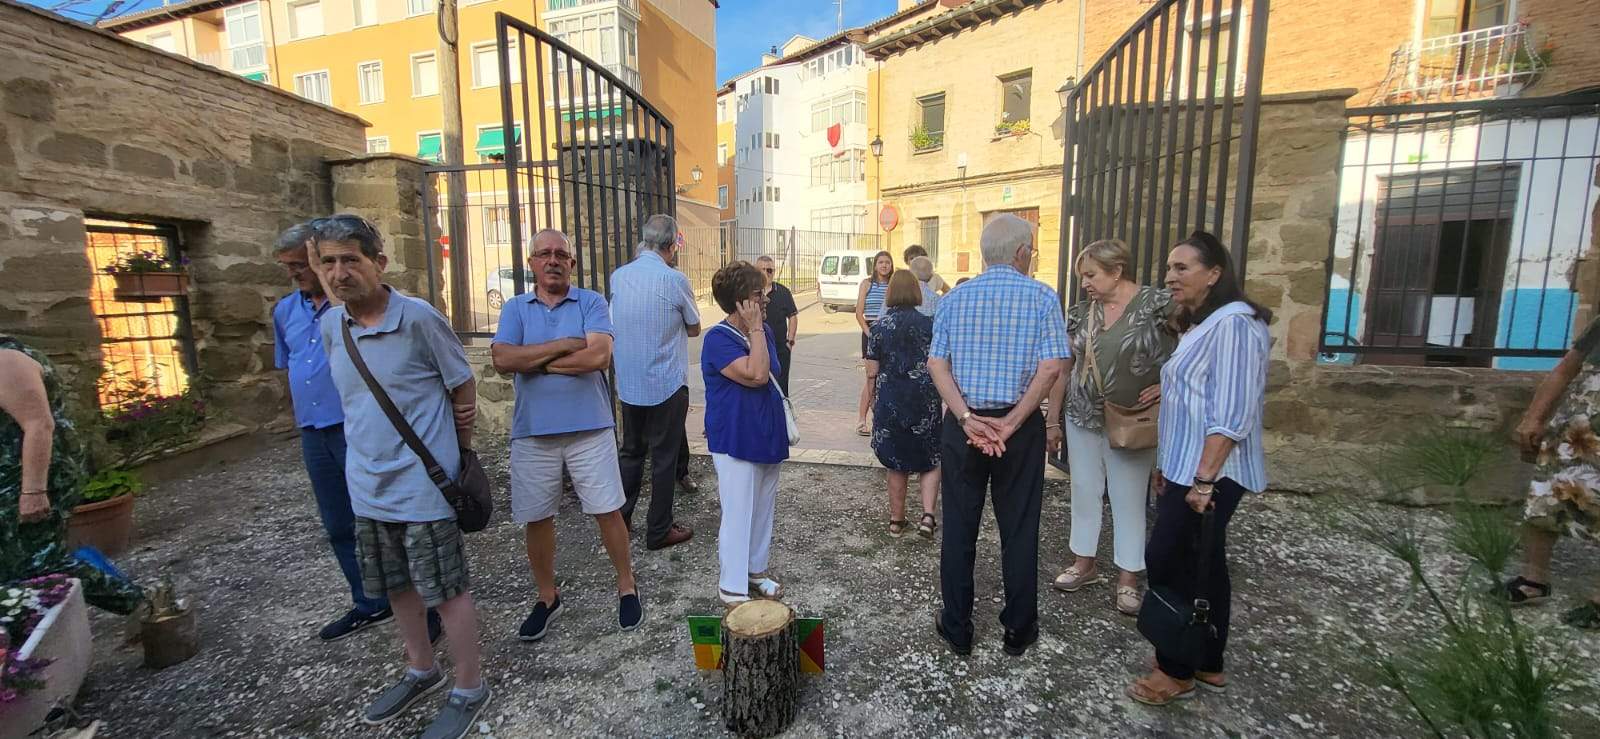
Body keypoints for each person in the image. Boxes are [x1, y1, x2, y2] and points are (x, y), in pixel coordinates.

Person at [313, 214, 490, 737]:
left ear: (378, 263)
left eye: (351, 259)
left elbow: (462, 386)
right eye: (329, 262)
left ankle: (469, 685)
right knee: (395, 587)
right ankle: (420, 668)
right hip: (366, 487)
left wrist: (455, 457)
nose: (340, 272)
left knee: (446, 590)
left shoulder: (418, 319)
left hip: (424, 487)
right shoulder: (331, 326)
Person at [273, 223, 442, 642]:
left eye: (302, 263)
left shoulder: (369, 313)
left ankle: (429, 608)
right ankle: (370, 601)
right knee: (340, 523)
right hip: (314, 430)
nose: (298, 272)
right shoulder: (285, 312)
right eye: (292, 266)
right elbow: (289, 365)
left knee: (400, 525)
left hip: (364, 429)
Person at [1127, 231, 1271, 706]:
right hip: (1189, 467)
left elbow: (1231, 412)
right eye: (1169, 268)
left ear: (1214, 274)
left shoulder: (1234, 325)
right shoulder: (1206, 323)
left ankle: (1175, 669)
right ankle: (1208, 659)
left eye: (1182, 268)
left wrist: (1204, 478)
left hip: (1210, 473)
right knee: (1206, 562)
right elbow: (1194, 396)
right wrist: (1170, 465)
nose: (1170, 277)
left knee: (1169, 559)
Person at [928, 214, 1069, 658]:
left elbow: (937, 365)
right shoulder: (1044, 297)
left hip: (964, 426)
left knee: (959, 526)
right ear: (1023, 252)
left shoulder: (954, 299)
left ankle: (957, 628)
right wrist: (1011, 423)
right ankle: (1019, 629)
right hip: (1019, 427)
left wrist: (968, 417)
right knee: (1020, 527)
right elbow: (1052, 367)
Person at [491, 229, 642, 641]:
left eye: (561, 254)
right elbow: (503, 358)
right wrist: (563, 345)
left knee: (607, 510)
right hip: (533, 432)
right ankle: (546, 596)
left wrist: (534, 360)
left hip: (590, 428)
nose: (553, 260)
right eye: (544, 254)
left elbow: (599, 356)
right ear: (532, 263)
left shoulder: (591, 302)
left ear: (572, 264)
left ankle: (626, 584)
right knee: (537, 518)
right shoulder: (515, 308)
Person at [1047, 239, 1176, 616]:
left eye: (1091, 274)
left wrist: (1167, 383)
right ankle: (1083, 562)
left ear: (1117, 270)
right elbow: (1063, 369)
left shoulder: (1157, 306)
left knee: (1128, 496)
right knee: (1085, 490)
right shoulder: (1080, 314)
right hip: (1082, 415)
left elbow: (1193, 350)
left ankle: (1128, 577)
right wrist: (1052, 420)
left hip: (1132, 420)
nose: (1085, 282)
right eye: (1082, 276)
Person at [0, 337, 143, 615]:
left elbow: (39, 424)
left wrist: (33, 492)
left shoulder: (6, 360)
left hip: (33, 478)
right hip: (11, 481)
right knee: (16, 566)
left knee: (39, 562)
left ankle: (144, 605)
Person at [1500, 316, 1600, 630]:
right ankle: (1533, 580)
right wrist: (1533, 418)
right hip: (1580, 431)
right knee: (1544, 499)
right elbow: (1565, 369)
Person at [702, 261, 790, 606]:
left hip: (766, 433)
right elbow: (755, 373)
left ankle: (755, 571)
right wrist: (755, 330)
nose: (766, 297)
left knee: (763, 508)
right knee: (738, 512)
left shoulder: (762, 331)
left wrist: (757, 330)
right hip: (735, 438)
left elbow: (773, 369)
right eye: (758, 293)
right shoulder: (717, 340)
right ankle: (732, 586)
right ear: (741, 302)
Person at [611, 214, 700, 551]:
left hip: (630, 382)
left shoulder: (619, 277)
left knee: (631, 451)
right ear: (671, 245)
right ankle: (659, 528)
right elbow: (693, 327)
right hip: (665, 382)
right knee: (664, 457)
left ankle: (622, 517)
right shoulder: (673, 279)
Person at [867, 270, 941, 539]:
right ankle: (928, 516)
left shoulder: (879, 327)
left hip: (891, 401)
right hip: (925, 400)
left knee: (896, 462)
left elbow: (871, 371)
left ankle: (897, 521)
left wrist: (871, 400)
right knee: (930, 460)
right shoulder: (931, 325)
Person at [854, 251, 894, 436]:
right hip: (870, 331)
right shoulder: (867, 284)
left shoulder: (894, 285)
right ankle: (862, 420)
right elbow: (859, 312)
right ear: (875, 265)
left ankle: (879, 418)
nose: (884, 265)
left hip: (889, 332)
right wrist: (869, 333)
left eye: (887, 262)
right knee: (871, 378)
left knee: (885, 378)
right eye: (881, 262)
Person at [755, 255, 799, 395]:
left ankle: (783, 413)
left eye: (770, 270)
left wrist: (790, 341)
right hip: (757, 346)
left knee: (781, 385)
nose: (767, 274)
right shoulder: (751, 292)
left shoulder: (783, 292)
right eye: (764, 270)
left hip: (780, 347)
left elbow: (792, 316)